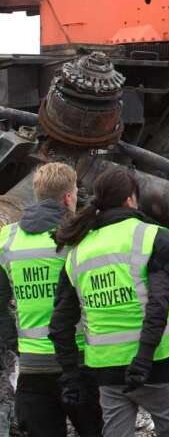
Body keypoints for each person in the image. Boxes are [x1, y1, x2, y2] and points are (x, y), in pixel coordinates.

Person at [49, 167, 169, 437]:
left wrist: (71, 376)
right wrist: (143, 359)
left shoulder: (78, 251)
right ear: (131, 199)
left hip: (108, 368)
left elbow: (59, 324)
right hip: (156, 362)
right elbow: (159, 303)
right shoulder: (150, 235)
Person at [0, 163, 102, 437]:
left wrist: (16, 343)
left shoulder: (6, 240)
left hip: (32, 369)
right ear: (69, 197)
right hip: (81, 362)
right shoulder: (84, 238)